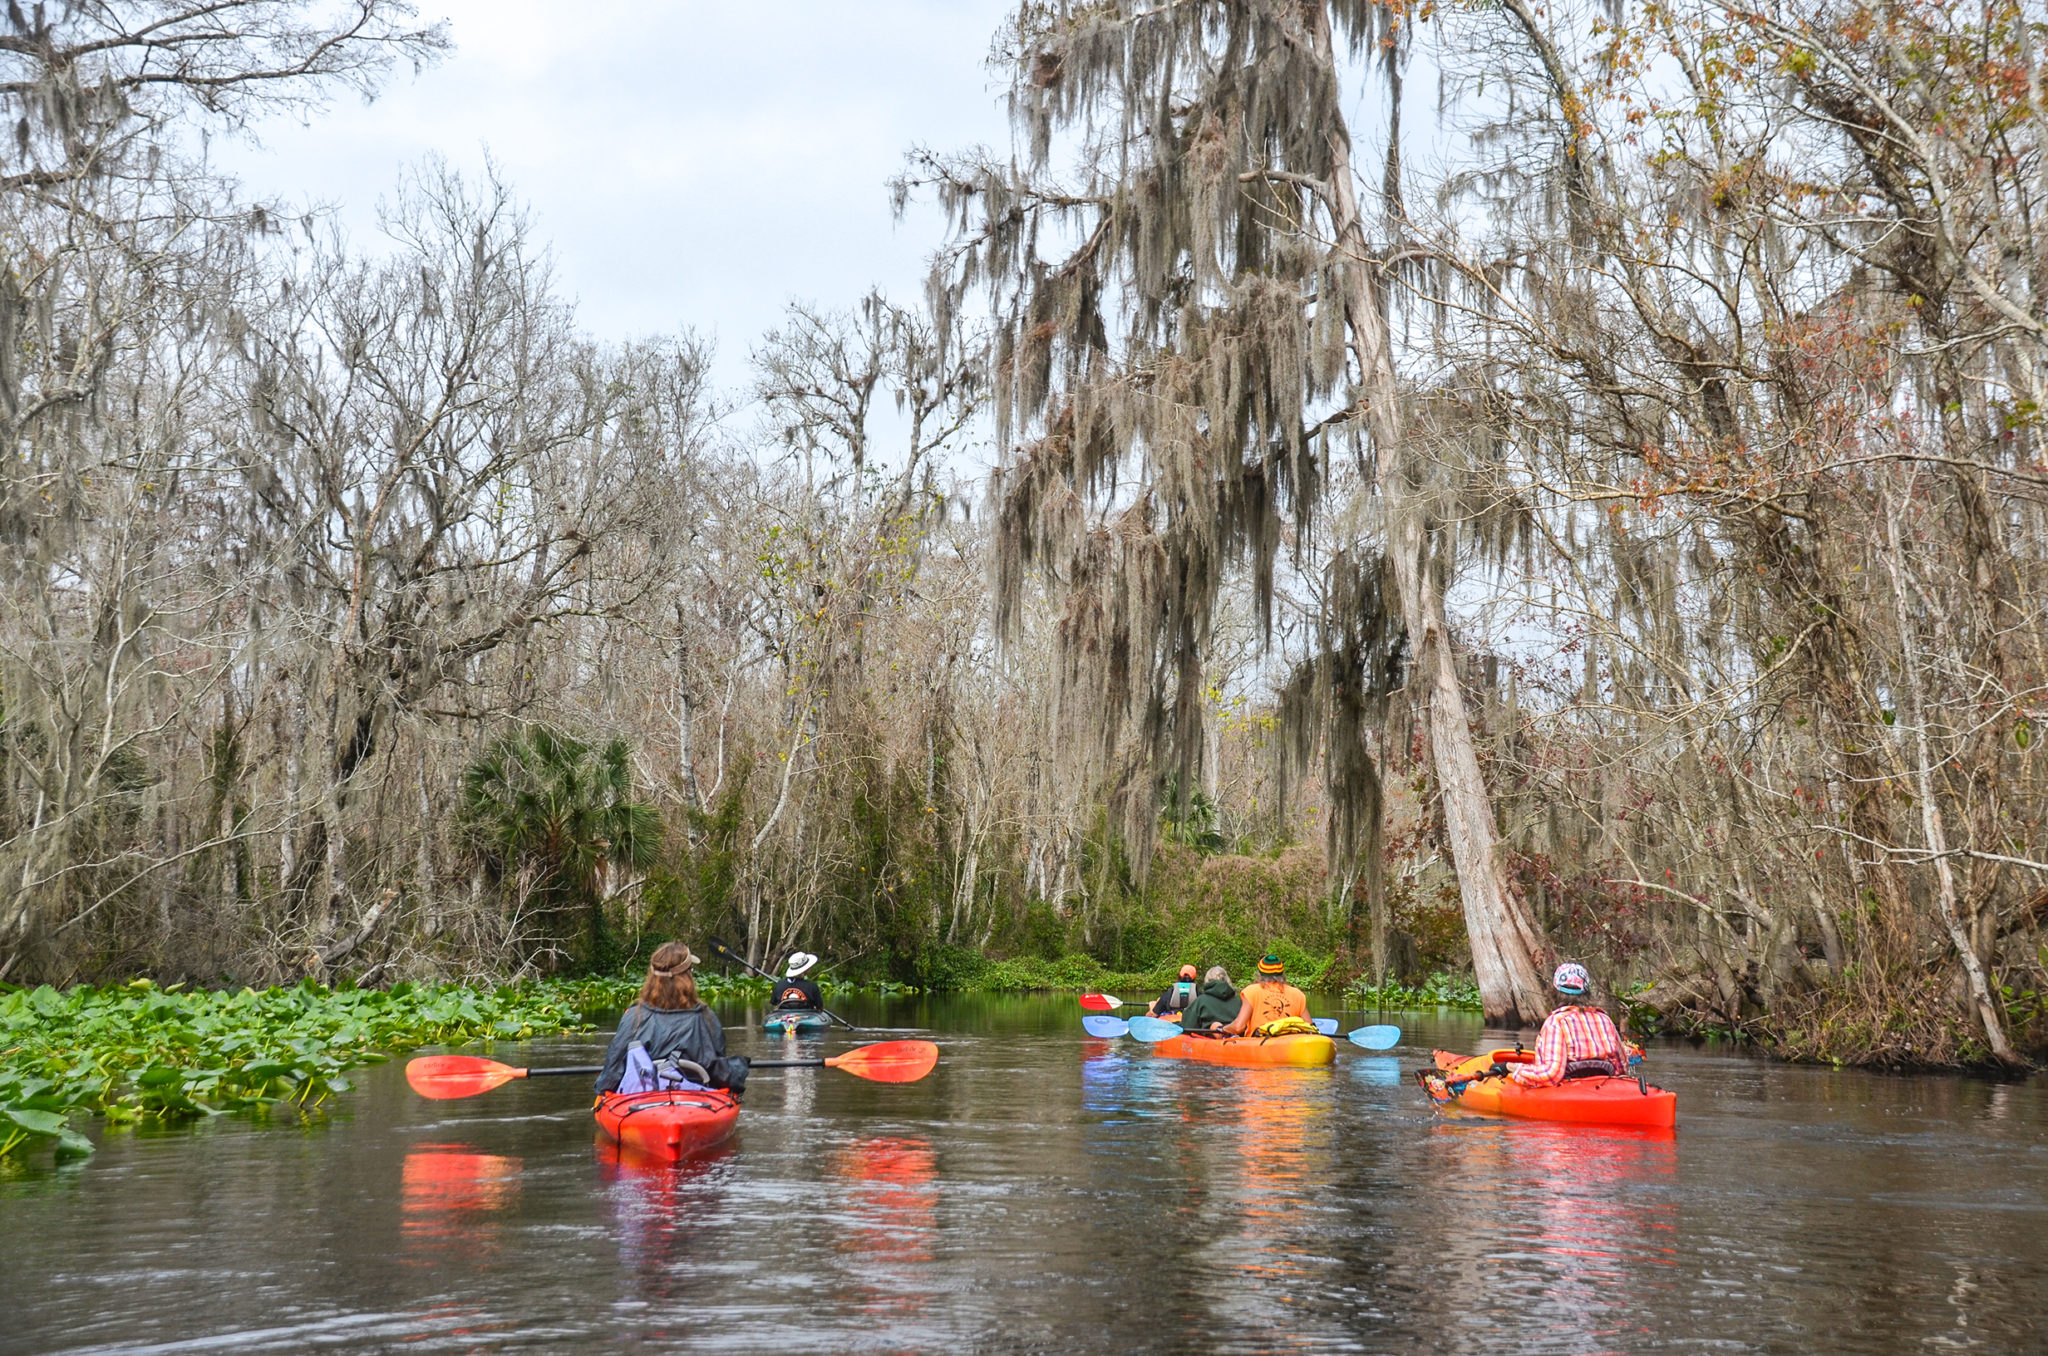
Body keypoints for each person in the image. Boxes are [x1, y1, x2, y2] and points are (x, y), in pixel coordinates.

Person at [595, 942, 750, 1095]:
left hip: (643, 1102)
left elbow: (611, 1075)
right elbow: (719, 1072)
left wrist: (602, 1089)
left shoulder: (633, 1016)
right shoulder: (706, 1016)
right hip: (695, 1100)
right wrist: (739, 1066)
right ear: (688, 977)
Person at [1511, 962, 1631, 1087]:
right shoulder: (1605, 1020)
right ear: (1586, 992)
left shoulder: (1556, 1022)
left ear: (1554, 991)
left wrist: (1514, 1068)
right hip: (1602, 1090)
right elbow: (1622, 1066)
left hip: (1566, 1094)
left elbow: (1551, 1074)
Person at [1223, 953, 1310, 1035]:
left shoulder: (1251, 991)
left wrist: (1222, 1029)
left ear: (1260, 974)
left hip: (1260, 1044)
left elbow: (1238, 1027)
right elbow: (1310, 1029)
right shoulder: (1298, 994)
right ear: (1282, 974)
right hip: (1291, 1044)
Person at [1181, 965, 1242, 1030]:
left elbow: (1188, 1026)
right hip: (1236, 1038)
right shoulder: (1239, 1003)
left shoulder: (1201, 1001)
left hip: (1208, 1037)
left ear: (1207, 981)